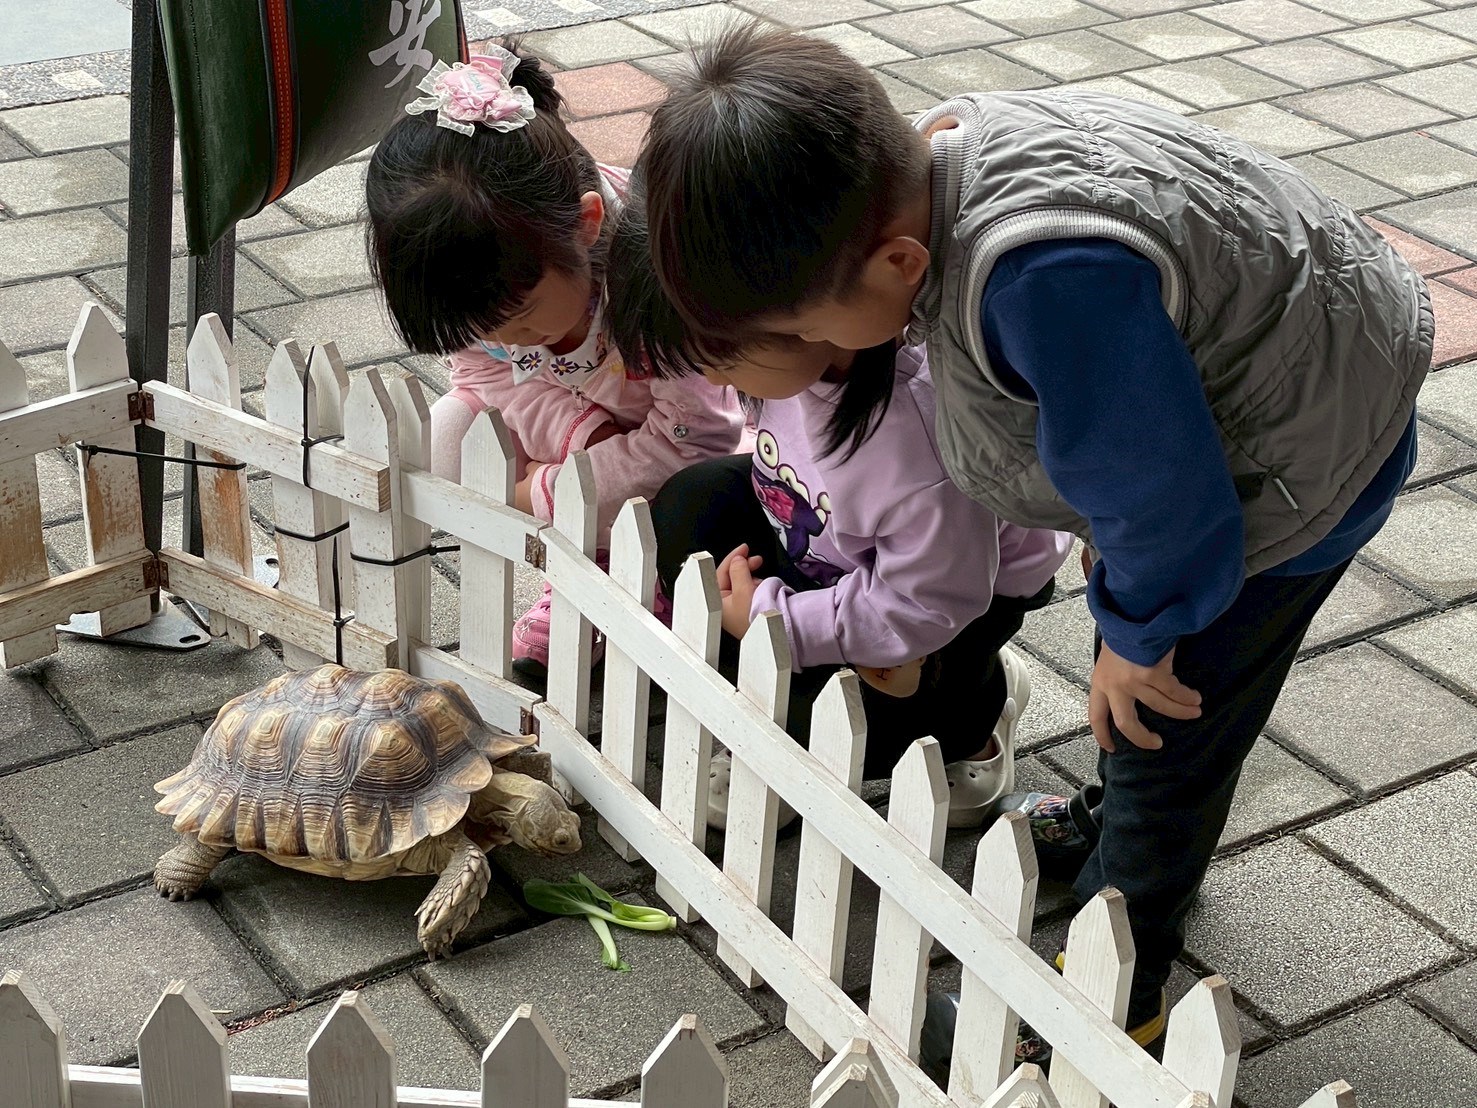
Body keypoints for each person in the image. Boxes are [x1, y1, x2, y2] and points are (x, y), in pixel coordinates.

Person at [631, 23, 1430, 1057]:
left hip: (1300, 454)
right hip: (1251, 391)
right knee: (1142, 677)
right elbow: (1122, 432)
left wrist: (1138, 635)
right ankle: (1113, 825)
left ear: (897, 262)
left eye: (820, 333)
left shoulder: (1036, 281)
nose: (822, 359)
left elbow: (1166, 500)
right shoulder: (940, 167)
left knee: (1164, 718)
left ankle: (1114, 982)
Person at [606, 200, 1072, 826]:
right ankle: (793, 706)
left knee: (878, 717)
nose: (712, 379)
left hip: (961, 593)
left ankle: (975, 714)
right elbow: (792, 453)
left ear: (793, 317)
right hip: (834, 541)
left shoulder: (912, 446)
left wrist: (777, 620)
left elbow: (926, 603)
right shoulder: (792, 362)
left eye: (719, 359)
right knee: (693, 502)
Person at [364, 40, 744, 677]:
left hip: (684, 442)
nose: (510, 341)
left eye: (523, 317)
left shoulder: (652, 289)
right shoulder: (484, 279)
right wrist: (576, 434)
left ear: (587, 224)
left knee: (680, 501)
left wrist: (539, 489)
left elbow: (699, 442)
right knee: (451, 434)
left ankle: (640, 576)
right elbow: (482, 372)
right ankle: (581, 559)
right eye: (483, 328)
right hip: (587, 421)